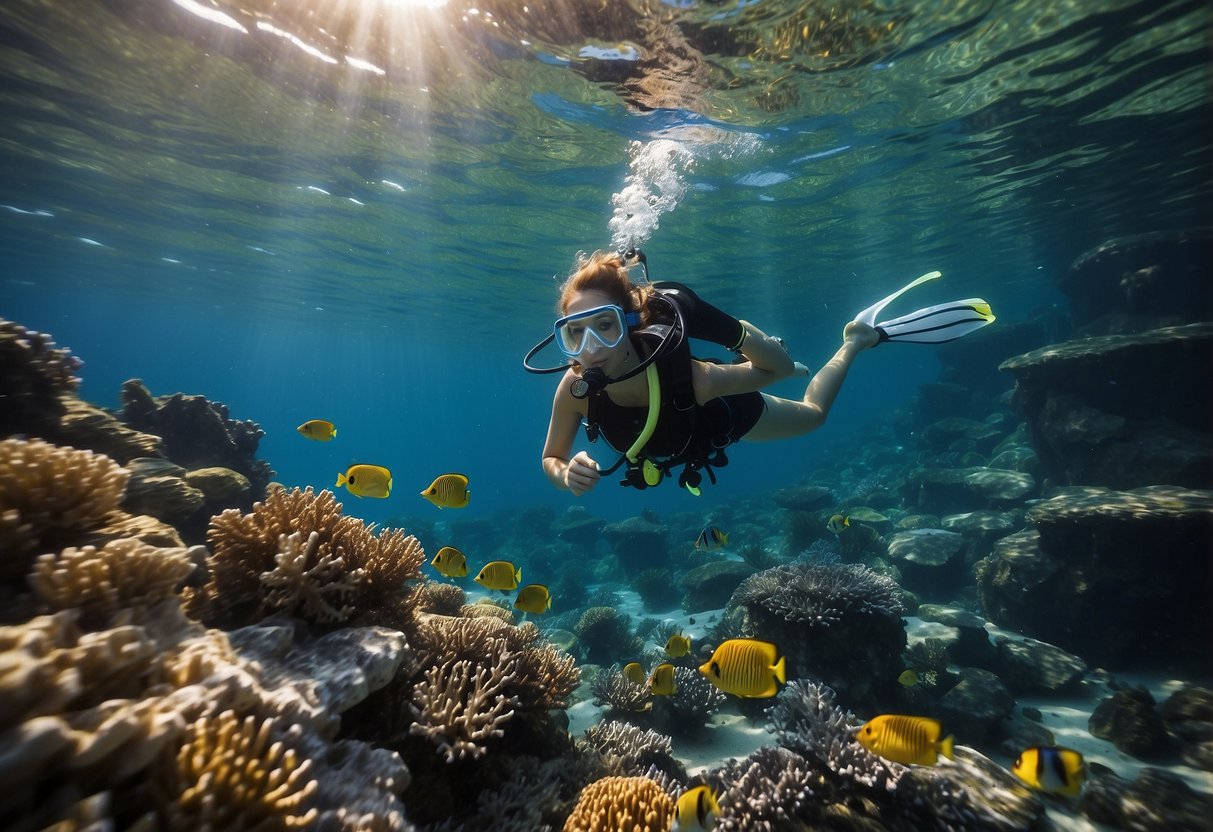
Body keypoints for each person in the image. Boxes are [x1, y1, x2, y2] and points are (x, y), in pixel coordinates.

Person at [538, 250, 881, 496]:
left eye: (604, 326)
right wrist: (565, 474)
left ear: (631, 324)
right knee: (779, 372)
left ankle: (855, 340)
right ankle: (750, 358)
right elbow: (551, 457)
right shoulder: (575, 389)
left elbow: (778, 369)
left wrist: (731, 331)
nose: (592, 348)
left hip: (730, 415)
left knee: (813, 413)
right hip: (684, 431)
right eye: (576, 332)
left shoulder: (694, 379)